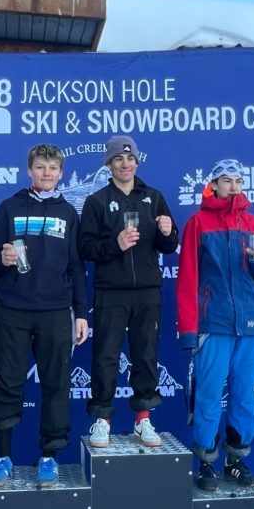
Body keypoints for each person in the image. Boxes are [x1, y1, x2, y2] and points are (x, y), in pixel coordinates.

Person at [0, 143, 88, 488]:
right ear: (29, 170)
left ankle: (49, 458)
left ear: (61, 173)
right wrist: (2, 259)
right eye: (40, 167)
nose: (46, 173)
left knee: (56, 384)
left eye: (53, 168)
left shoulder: (68, 212)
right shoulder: (9, 206)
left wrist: (81, 313)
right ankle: (3, 458)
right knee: (7, 383)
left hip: (56, 311)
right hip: (12, 309)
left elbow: (76, 266)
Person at [176, 159, 254, 492]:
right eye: (226, 180)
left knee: (245, 396)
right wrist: (189, 330)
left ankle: (235, 461)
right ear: (214, 185)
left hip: (249, 325)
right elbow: (187, 278)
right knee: (208, 395)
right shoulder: (198, 223)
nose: (233, 187)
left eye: (238, 181)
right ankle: (205, 461)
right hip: (213, 324)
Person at [78, 134, 178, 448]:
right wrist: (115, 244)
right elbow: (85, 247)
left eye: (130, 158)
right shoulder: (96, 201)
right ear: (109, 164)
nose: (125, 164)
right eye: (118, 159)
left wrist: (168, 232)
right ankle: (102, 420)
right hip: (111, 291)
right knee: (105, 355)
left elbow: (169, 245)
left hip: (147, 290)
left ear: (137, 161)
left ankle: (143, 419)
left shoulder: (154, 197)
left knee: (145, 354)